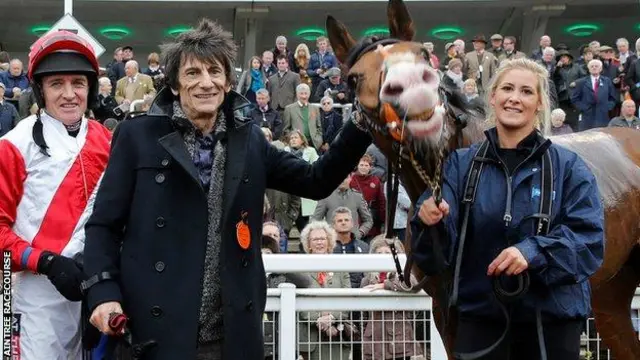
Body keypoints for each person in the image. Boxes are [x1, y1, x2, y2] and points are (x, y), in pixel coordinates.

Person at [83, 18, 372, 360]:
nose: (206, 83)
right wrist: (103, 292)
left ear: (228, 82)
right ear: (175, 84)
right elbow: (103, 225)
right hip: (155, 332)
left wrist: (363, 118)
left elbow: (316, 180)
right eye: (193, 74)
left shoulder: (250, 140)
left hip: (232, 338)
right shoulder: (136, 136)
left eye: (214, 72)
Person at [411, 58, 604, 359]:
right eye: (507, 88)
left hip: (550, 325)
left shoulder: (569, 168)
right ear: (493, 97)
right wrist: (429, 221)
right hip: (480, 323)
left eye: (527, 91)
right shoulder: (459, 167)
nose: (515, 97)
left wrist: (532, 252)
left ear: (540, 103)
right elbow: (434, 258)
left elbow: (589, 242)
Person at [0, 30, 111, 359]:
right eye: (56, 84)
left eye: (78, 83)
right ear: (40, 90)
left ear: (90, 88)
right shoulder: (14, 146)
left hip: (88, 298)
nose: (69, 94)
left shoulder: (107, 141)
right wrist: (45, 261)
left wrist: (104, 288)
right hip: (29, 297)